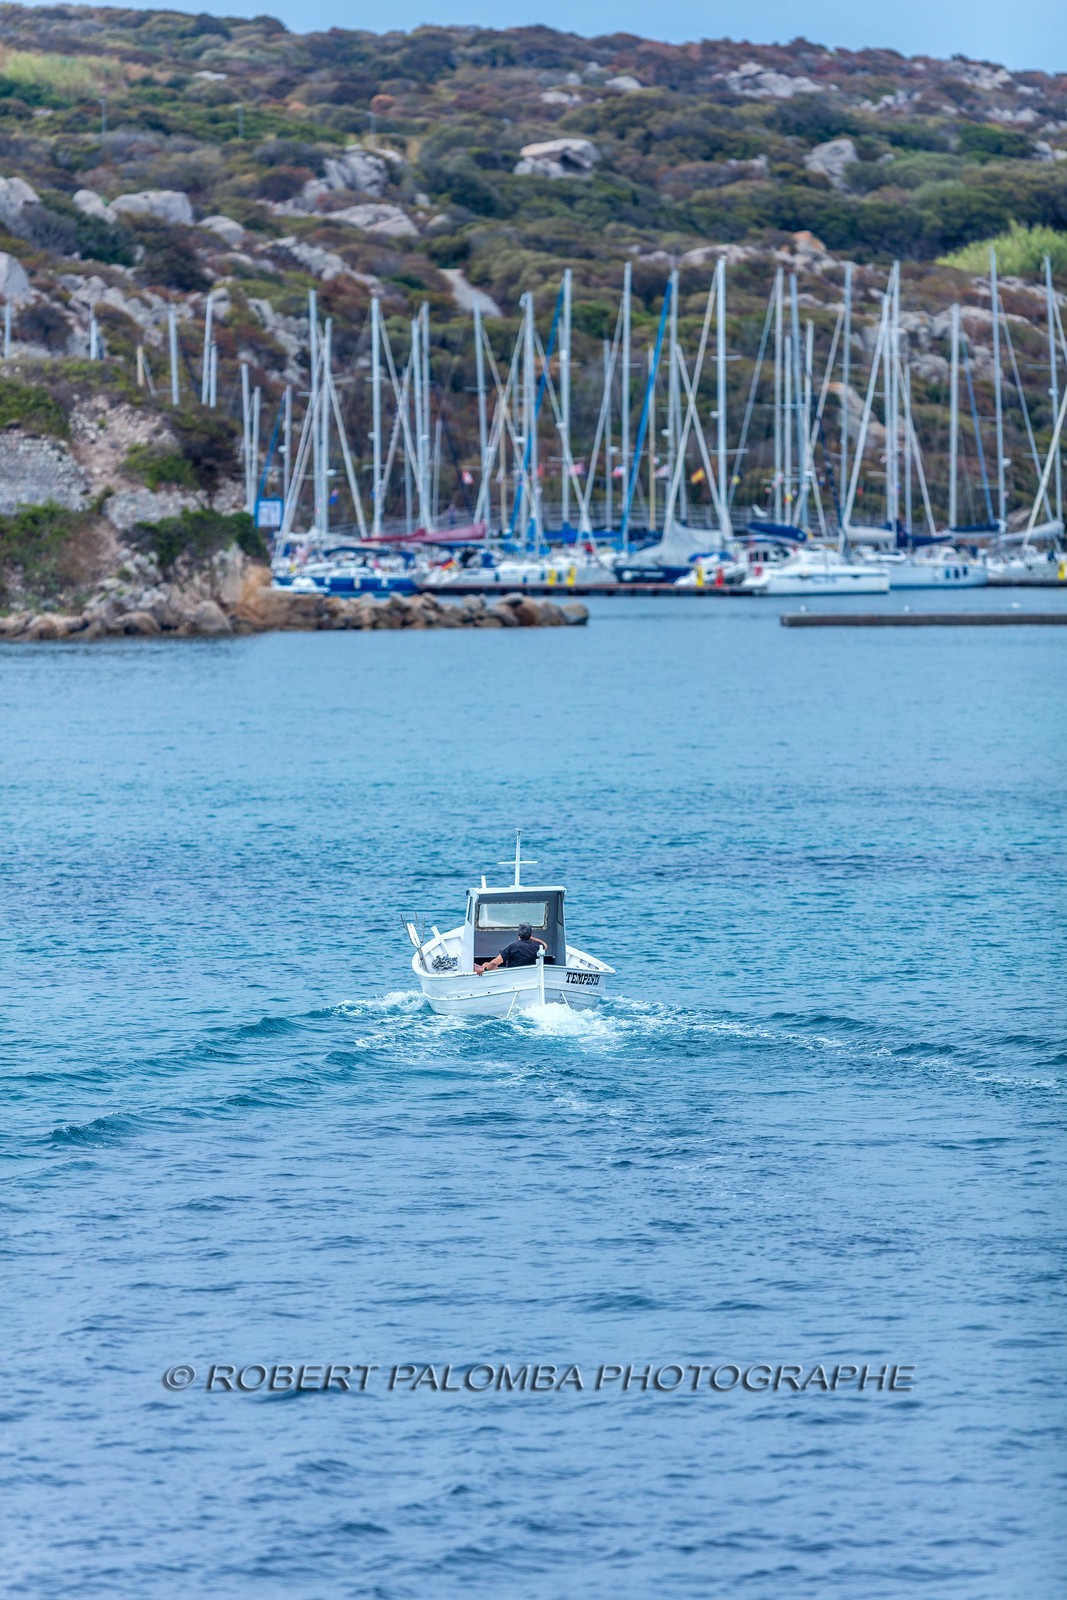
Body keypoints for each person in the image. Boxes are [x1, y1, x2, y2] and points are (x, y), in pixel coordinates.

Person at [476, 923, 546, 975]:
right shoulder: (537, 946)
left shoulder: (512, 947)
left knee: (485, 964)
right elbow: (545, 945)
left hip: (512, 974)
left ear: (518, 934)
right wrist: (530, 937)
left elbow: (494, 963)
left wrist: (485, 969)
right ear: (531, 934)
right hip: (529, 973)